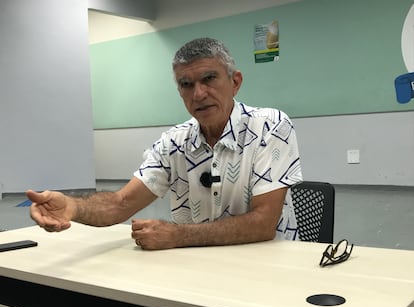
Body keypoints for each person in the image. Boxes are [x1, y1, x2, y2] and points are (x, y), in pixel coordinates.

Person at [27, 37, 303, 250]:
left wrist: (178, 235)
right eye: (186, 84)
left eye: (209, 78)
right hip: (200, 264)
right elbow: (120, 204)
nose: (198, 93)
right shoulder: (174, 142)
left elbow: (264, 223)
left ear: (235, 82)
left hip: (269, 262)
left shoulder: (269, 125)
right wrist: (74, 207)